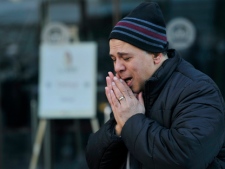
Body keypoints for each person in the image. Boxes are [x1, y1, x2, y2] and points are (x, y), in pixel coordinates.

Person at [85, 2, 225, 169]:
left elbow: (185, 159)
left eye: (126, 58)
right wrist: (117, 129)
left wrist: (131, 121)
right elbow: (96, 161)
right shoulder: (132, 92)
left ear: (157, 55)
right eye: (114, 59)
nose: (117, 67)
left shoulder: (199, 90)